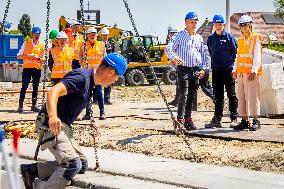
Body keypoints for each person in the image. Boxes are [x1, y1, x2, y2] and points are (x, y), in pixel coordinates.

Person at [20, 53, 127, 189]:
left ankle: (33, 171)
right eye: (117, 77)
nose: (115, 81)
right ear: (110, 72)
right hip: (50, 124)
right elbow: (53, 92)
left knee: (81, 164)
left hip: (63, 126)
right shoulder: (82, 78)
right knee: (72, 164)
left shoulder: (91, 82)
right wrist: (52, 117)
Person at [166, 11, 208, 130]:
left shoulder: (199, 37)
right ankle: (180, 121)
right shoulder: (179, 35)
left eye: (195, 22)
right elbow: (169, 49)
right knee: (183, 95)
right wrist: (175, 58)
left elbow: (203, 55)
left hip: (195, 69)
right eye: (191, 22)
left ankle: (188, 119)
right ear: (186, 22)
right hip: (183, 69)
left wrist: (203, 68)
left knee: (192, 96)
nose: (194, 24)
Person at [205, 14, 238, 128]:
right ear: (213, 25)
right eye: (216, 24)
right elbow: (211, 52)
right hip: (216, 71)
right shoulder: (210, 39)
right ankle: (217, 119)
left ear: (223, 25)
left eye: (220, 24)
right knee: (218, 96)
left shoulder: (229, 37)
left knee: (231, 95)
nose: (218, 26)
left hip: (228, 70)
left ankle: (234, 118)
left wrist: (233, 68)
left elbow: (235, 53)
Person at [232, 15, 262, 131]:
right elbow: (237, 56)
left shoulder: (256, 38)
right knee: (242, 97)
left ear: (250, 25)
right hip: (241, 73)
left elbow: (257, 55)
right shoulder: (240, 40)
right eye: (241, 26)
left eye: (245, 25)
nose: (243, 28)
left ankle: (256, 120)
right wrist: (234, 70)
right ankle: (245, 120)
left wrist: (254, 70)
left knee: (253, 96)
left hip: (251, 74)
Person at [80, 27, 106, 120]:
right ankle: (88, 113)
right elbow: (80, 59)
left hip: (98, 73)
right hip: (87, 73)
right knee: (88, 93)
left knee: (99, 92)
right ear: (87, 35)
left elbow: (105, 59)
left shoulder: (102, 45)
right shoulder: (83, 45)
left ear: (96, 35)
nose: (92, 36)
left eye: (94, 34)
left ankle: (102, 112)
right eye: (90, 34)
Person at [17, 26, 45, 113]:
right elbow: (18, 56)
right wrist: (28, 55)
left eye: (38, 34)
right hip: (27, 69)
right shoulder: (26, 44)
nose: (37, 36)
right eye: (35, 34)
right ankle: (20, 106)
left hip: (37, 69)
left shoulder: (41, 45)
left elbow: (44, 58)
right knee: (24, 86)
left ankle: (34, 106)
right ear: (32, 34)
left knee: (36, 87)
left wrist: (38, 58)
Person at [100, 27, 116, 105]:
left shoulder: (111, 44)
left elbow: (114, 55)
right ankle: (96, 99)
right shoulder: (98, 44)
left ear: (108, 35)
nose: (105, 36)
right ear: (101, 36)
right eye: (103, 35)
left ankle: (107, 99)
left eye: (106, 35)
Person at [167, 27, 180, 107]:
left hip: (181, 66)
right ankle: (176, 101)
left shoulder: (176, 41)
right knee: (178, 84)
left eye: (172, 33)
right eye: (170, 33)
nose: (170, 35)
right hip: (178, 65)